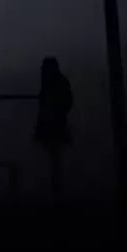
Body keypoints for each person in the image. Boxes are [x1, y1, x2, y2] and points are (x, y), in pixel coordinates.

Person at [35, 57, 73, 204]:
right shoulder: (57, 82)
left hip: (53, 124)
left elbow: (65, 102)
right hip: (54, 123)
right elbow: (67, 102)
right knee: (54, 157)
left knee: (54, 157)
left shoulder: (52, 83)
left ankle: (55, 191)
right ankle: (55, 190)